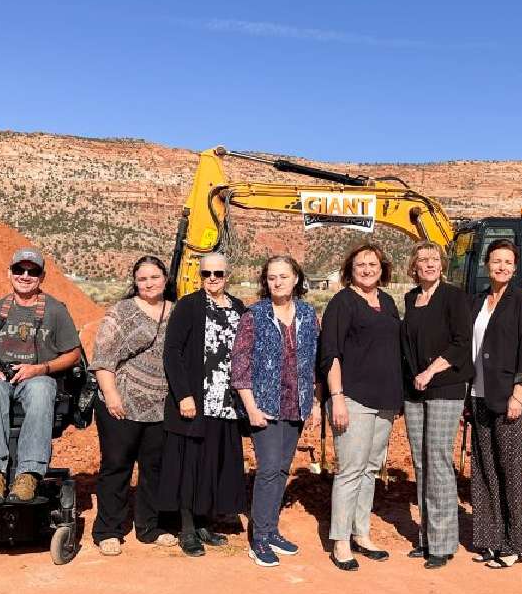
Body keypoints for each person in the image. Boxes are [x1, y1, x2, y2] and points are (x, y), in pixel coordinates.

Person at [0, 247, 82, 505]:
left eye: (32, 271)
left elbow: (74, 355)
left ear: (41, 276)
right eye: (19, 270)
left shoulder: (55, 311)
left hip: (37, 376)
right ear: (9, 273)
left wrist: (41, 368)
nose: (25, 275)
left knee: (42, 389)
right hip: (0, 378)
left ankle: (29, 474)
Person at [231, 255, 320, 568]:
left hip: (295, 404)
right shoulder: (254, 315)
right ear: (265, 281)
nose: (278, 282)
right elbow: (240, 365)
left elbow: (312, 361)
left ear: (296, 278)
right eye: (271, 277)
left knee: (282, 468)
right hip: (264, 406)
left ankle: (271, 530)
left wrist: (316, 402)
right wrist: (251, 407)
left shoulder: (308, 314)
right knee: (268, 468)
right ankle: (260, 538)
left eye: (284, 276)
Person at [319, 242, 404, 571]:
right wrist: (336, 396)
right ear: (350, 271)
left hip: (384, 400)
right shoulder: (343, 302)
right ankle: (340, 541)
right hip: (352, 398)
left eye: (373, 264)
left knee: (370, 470)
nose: (367, 269)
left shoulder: (387, 301)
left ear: (382, 268)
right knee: (351, 471)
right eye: (360, 265)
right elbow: (331, 354)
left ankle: (361, 533)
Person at [158, 253, 249, 558]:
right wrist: (184, 395)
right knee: (190, 466)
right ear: (200, 275)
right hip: (196, 402)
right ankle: (186, 528)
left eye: (218, 273)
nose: (212, 278)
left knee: (212, 465)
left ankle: (202, 524)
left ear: (228, 275)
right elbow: (172, 351)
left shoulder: (238, 307)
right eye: (206, 273)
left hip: (227, 404)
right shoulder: (189, 305)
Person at [89, 256, 178, 555]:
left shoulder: (176, 312)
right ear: (135, 282)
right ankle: (108, 530)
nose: (149, 283)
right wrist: (111, 396)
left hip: (160, 405)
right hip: (121, 402)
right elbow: (102, 357)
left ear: (165, 278)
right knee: (117, 466)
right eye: (142, 279)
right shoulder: (120, 312)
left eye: (154, 277)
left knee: (155, 468)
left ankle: (150, 527)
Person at [468, 239, 522, 569]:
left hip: (512, 400)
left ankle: (516, 544)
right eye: (496, 261)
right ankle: (490, 539)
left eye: (508, 261)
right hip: (479, 396)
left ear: (515, 267)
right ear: (487, 264)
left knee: (513, 473)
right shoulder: (477, 302)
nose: (501, 266)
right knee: (485, 471)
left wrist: (518, 392)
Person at [400, 241, 473, 569]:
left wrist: (430, 371)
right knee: (420, 462)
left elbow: (462, 343)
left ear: (442, 265)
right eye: (422, 260)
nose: (428, 264)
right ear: (413, 266)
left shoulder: (455, 297)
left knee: (439, 462)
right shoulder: (410, 299)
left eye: (434, 260)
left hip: (445, 386)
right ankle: (426, 538)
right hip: (415, 391)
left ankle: (443, 544)